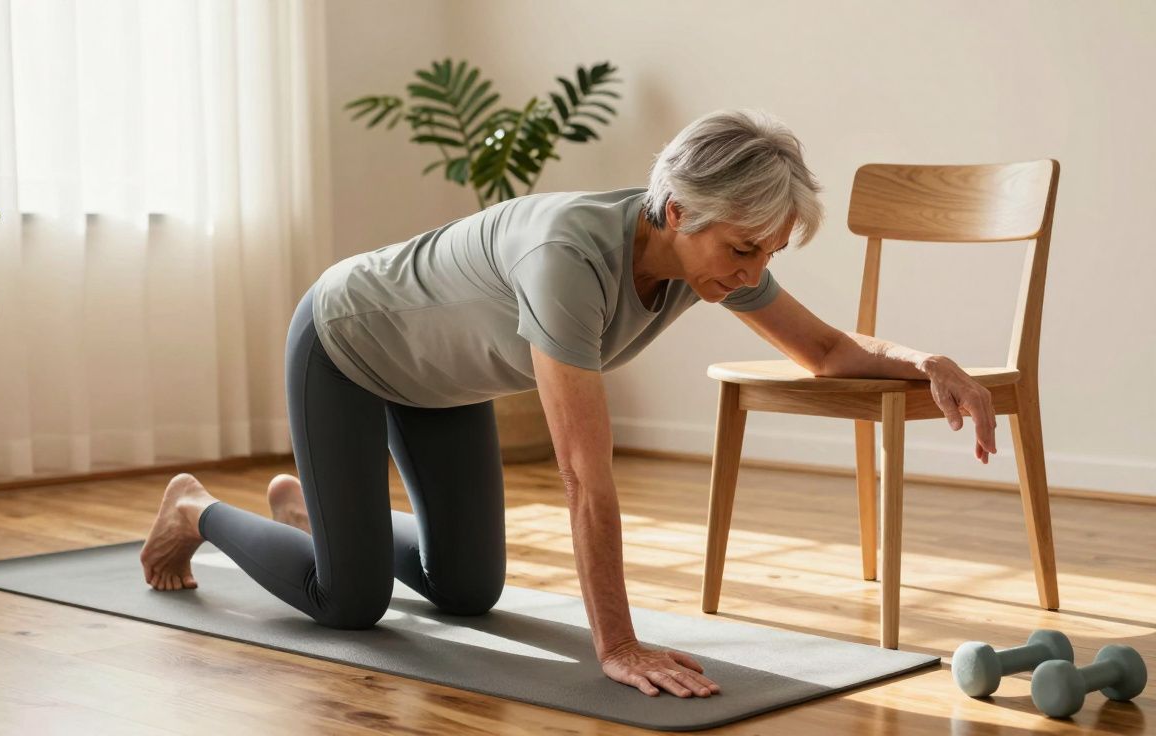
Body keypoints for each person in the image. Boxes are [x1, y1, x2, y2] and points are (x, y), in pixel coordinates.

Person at [139, 109, 998, 700]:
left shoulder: (706, 259)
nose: (751, 272)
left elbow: (825, 352)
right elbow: (586, 477)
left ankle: (310, 509)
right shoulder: (568, 259)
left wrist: (929, 362)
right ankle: (198, 507)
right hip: (349, 342)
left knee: (468, 588)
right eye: (742, 249)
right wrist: (615, 647)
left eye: (766, 253)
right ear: (674, 209)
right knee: (349, 603)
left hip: (445, 380)